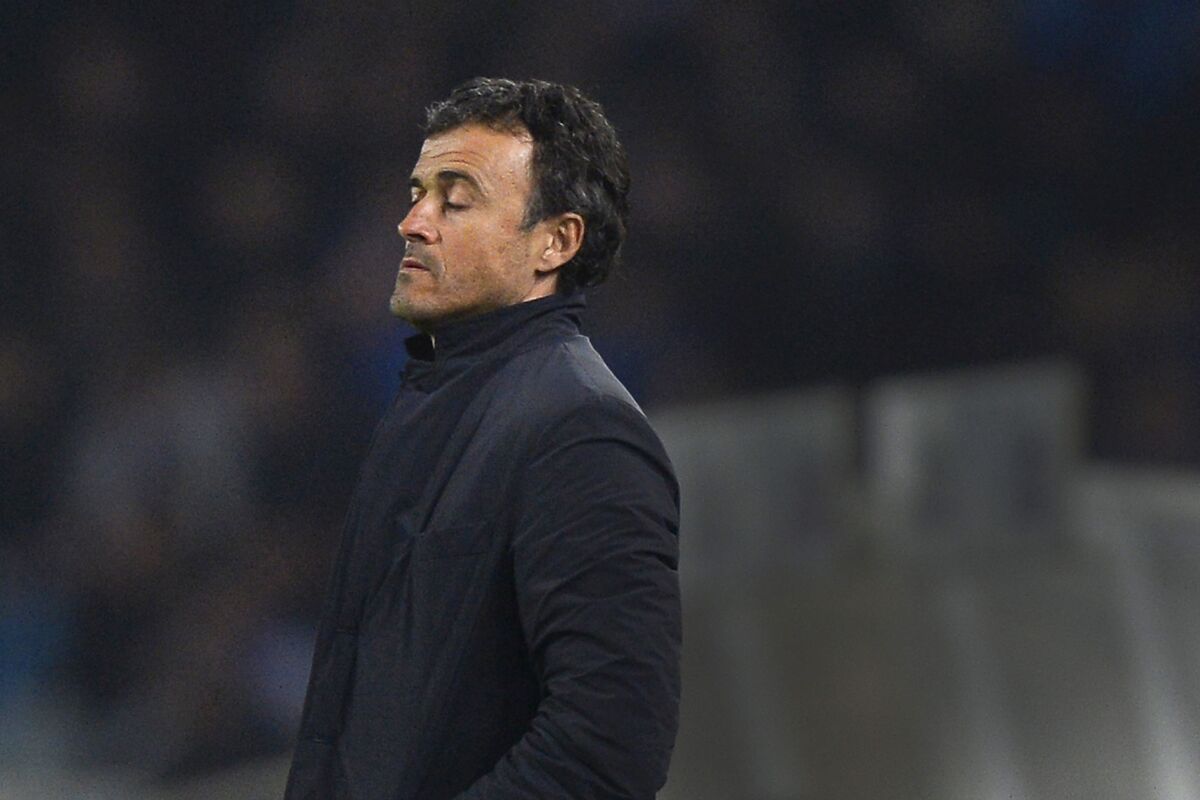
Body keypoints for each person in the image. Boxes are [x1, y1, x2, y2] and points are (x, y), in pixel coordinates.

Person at [285, 78, 682, 800]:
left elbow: (607, 749)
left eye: (456, 200)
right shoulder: (431, 405)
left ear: (556, 242)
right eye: (418, 194)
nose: (412, 222)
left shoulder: (583, 432)